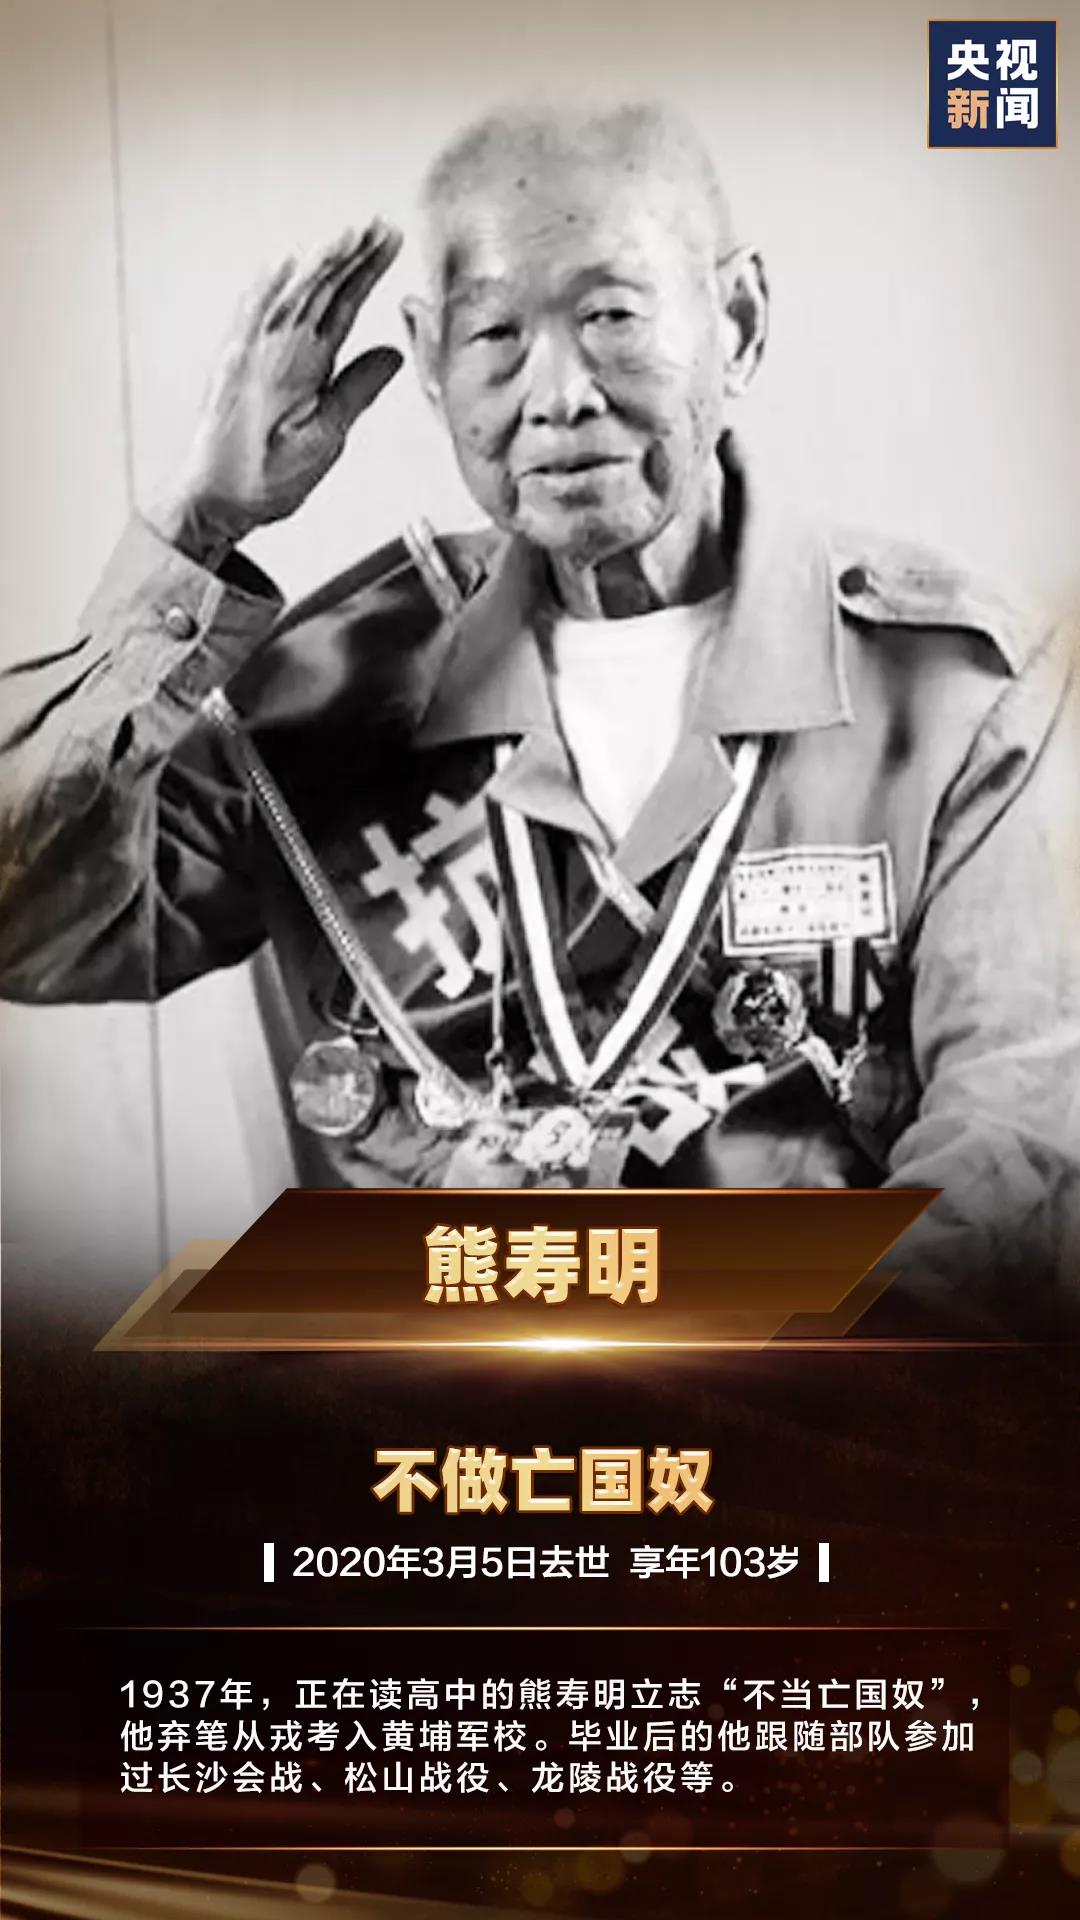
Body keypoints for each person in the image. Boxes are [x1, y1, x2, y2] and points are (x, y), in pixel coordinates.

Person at [1, 102, 1077, 1308]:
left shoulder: (958, 689)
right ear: (430, 359)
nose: (559, 394)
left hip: (816, 1390)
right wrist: (197, 527)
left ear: (737, 322)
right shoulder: (332, 687)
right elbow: (28, 927)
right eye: (497, 333)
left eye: (612, 316)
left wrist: (763, 1391)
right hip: (428, 1394)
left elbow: (1016, 1151)